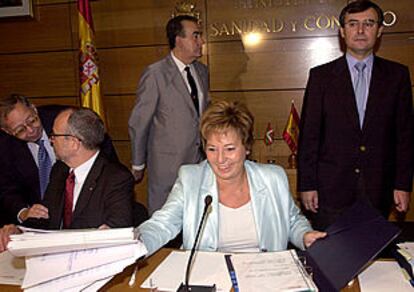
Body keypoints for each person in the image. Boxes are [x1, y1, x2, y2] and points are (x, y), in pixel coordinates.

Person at [137, 100, 326, 256]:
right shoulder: (190, 179)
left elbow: (292, 220)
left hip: (263, 275)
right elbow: (163, 224)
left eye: (229, 149)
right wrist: (130, 244)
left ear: (247, 147)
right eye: (212, 149)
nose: (220, 159)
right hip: (211, 277)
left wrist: (304, 235)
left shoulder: (273, 177)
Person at [297, 0, 413, 230]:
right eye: (353, 24)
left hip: (379, 188)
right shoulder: (321, 77)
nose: (360, 31)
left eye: (368, 23)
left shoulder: (397, 76)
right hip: (330, 191)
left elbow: (405, 136)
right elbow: (309, 136)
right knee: (332, 260)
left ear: (379, 30)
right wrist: (307, 184)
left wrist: (402, 184)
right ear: (342, 31)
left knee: (373, 258)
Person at [0, 108, 134, 251]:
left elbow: (117, 227)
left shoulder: (116, 178)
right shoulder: (60, 170)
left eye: (54, 135)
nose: (51, 141)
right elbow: (45, 217)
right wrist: (19, 232)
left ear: (73, 143)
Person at [128, 15, 209, 214]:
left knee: (196, 219)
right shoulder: (155, 74)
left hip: (200, 165)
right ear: (178, 39)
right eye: (196, 36)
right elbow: (139, 122)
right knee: (165, 225)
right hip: (167, 169)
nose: (201, 41)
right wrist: (138, 163)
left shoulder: (202, 71)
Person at [0, 94, 118, 227]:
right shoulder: (4, 146)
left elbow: (103, 156)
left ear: (33, 108)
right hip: (40, 222)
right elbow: (6, 189)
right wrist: (23, 212)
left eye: (32, 120)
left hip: (87, 210)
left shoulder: (64, 120)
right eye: (20, 130)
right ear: (7, 131)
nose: (31, 130)